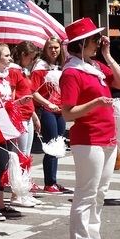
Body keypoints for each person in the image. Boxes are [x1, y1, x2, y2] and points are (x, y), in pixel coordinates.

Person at [60, 17, 120, 239]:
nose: (99, 42)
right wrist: (94, 104)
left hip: (107, 136)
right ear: (81, 44)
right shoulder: (71, 72)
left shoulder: (96, 66)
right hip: (87, 138)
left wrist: (108, 55)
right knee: (86, 193)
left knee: (100, 193)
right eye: (94, 39)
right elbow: (67, 112)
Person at [0, 43, 25, 222]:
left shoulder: (5, 77)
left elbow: (7, 101)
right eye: (6, 55)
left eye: (10, 55)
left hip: (8, 124)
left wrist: (18, 103)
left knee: (5, 165)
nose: (10, 58)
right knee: (0, 165)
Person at [31, 38, 73, 194]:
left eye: (56, 47)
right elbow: (33, 91)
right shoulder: (40, 67)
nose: (53, 50)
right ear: (45, 49)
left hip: (60, 110)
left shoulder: (62, 66)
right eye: (50, 47)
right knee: (51, 145)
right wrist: (47, 104)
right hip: (46, 110)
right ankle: (49, 182)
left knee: (58, 145)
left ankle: (53, 181)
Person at [9, 41, 42, 208]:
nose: (32, 60)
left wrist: (34, 116)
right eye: (31, 57)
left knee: (26, 156)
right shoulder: (14, 71)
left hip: (28, 115)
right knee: (19, 156)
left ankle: (24, 191)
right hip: (19, 116)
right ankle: (17, 194)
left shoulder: (24, 71)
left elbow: (28, 94)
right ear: (23, 55)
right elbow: (12, 97)